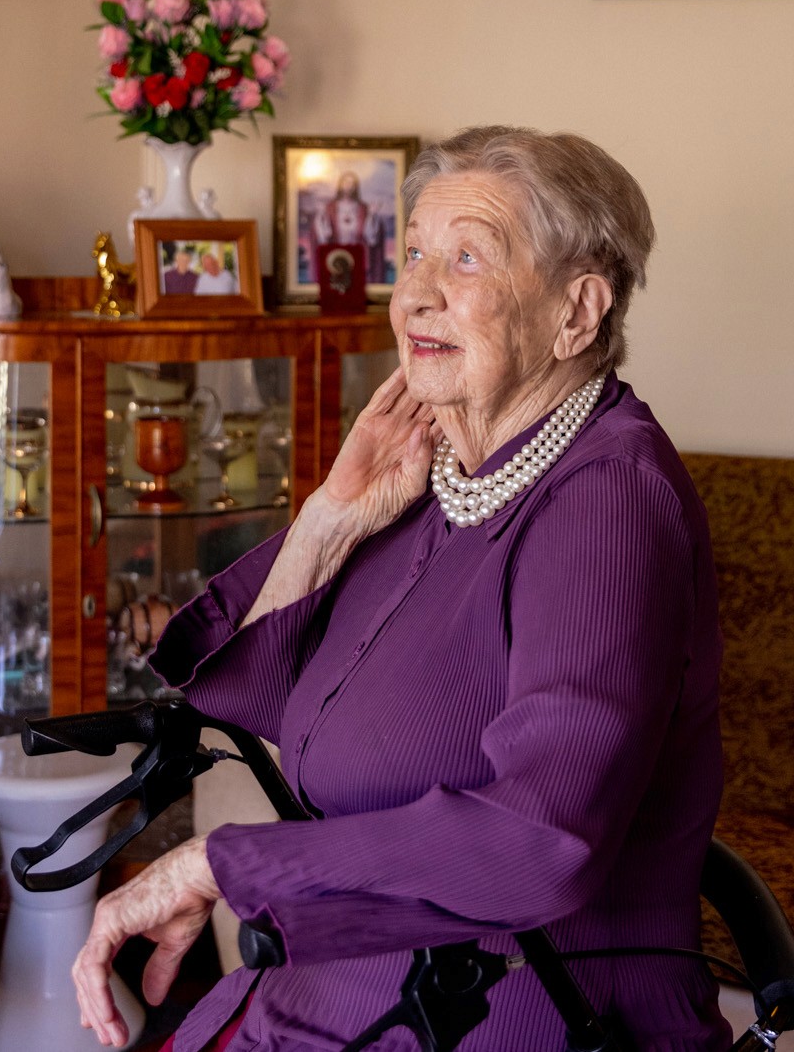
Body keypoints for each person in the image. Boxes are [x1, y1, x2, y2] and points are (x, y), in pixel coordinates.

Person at [72, 127, 725, 1051]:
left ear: (576, 312)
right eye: (413, 252)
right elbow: (261, 700)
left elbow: (542, 842)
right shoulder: (441, 466)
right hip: (330, 981)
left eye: (467, 258)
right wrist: (331, 518)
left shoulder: (606, 501)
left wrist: (223, 864)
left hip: (503, 1010)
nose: (415, 291)